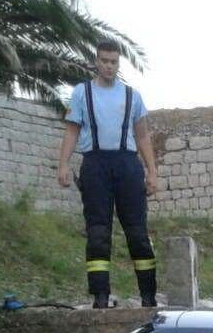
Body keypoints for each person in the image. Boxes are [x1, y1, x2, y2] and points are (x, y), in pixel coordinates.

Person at [57, 40, 160, 308]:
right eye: (104, 60)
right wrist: (63, 164)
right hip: (95, 164)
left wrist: (151, 171)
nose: (109, 66)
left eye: (113, 62)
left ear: (118, 64)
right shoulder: (81, 93)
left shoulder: (132, 96)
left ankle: (148, 297)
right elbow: (72, 131)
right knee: (98, 233)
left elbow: (142, 135)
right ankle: (100, 297)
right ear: (96, 61)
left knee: (137, 232)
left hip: (127, 165)